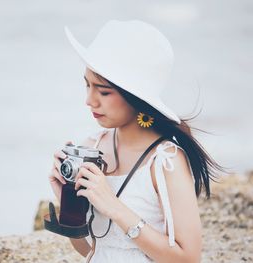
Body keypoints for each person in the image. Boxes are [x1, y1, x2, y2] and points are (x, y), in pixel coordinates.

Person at [48, 19, 227, 263]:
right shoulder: (93, 146)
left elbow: (189, 257)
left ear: (136, 96)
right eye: (87, 85)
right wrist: (67, 202)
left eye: (103, 91)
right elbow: (94, 250)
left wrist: (113, 206)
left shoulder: (165, 160)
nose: (89, 100)